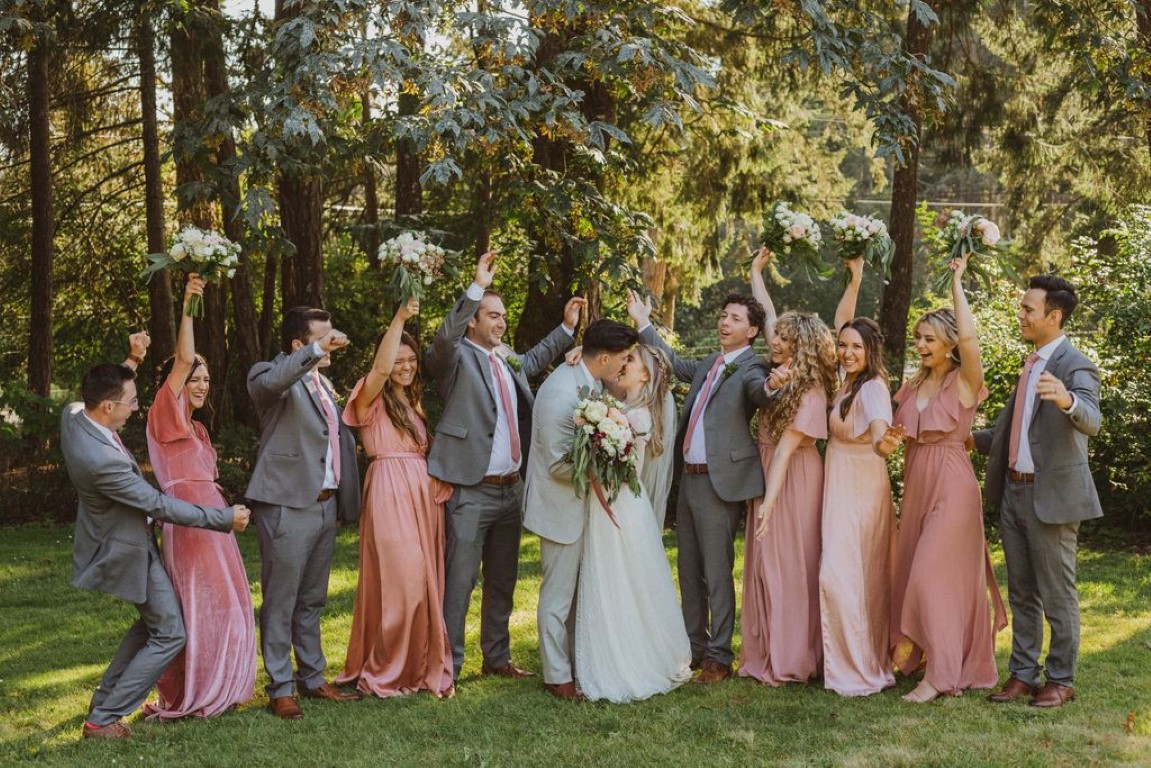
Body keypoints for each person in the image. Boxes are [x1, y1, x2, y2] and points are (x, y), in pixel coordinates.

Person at [61, 362, 249, 739]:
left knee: (152, 624)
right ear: (108, 407)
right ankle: (103, 719)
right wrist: (222, 517)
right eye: (131, 402)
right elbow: (159, 505)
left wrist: (130, 361)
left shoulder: (76, 416)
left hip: (130, 541)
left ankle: (103, 701)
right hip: (128, 549)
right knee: (169, 633)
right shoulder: (103, 464)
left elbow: (104, 389)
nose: (136, 408)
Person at [425, 251, 582, 682]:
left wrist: (566, 329)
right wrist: (475, 285)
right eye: (492, 315)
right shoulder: (454, 360)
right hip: (470, 489)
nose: (501, 322)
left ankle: (496, 657)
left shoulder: (505, 357)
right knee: (459, 583)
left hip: (511, 490)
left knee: (502, 581)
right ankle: (449, 665)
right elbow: (441, 344)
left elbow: (530, 362)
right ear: (472, 321)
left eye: (503, 316)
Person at [628, 289, 770, 683]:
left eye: (736, 318)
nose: (725, 322)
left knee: (717, 571)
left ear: (753, 330)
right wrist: (642, 322)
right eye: (724, 315)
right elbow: (671, 362)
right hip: (688, 480)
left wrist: (773, 390)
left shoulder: (753, 367)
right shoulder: (711, 361)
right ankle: (694, 646)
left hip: (719, 483)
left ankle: (720, 656)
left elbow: (760, 392)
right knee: (689, 569)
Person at [976, 274, 1102, 708]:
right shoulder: (1030, 363)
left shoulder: (1074, 365)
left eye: (1029, 309)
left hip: (1051, 498)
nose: (1022, 314)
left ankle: (1061, 679)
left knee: (1057, 594)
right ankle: (1023, 675)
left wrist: (1067, 400)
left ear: (1054, 315)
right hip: (1013, 493)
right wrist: (964, 437)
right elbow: (1011, 432)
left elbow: (1091, 417)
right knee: (1021, 590)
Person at [739, 248, 861, 685]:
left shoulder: (810, 391)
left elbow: (789, 450)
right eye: (776, 336)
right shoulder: (784, 370)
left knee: (789, 565)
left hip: (793, 480)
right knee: (764, 562)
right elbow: (768, 311)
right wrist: (757, 273)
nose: (774, 341)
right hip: (768, 471)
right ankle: (765, 648)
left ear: (801, 345)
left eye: (784, 338)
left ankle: (792, 657)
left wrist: (768, 505)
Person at [890, 253, 1007, 703]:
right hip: (917, 481)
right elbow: (894, 433)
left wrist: (957, 284)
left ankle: (939, 677)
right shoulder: (911, 385)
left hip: (954, 484)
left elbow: (973, 341)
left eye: (930, 339)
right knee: (933, 577)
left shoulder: (964, 379)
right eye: (918, 338)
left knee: (928, 574)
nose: (921, 345)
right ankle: (942, 661)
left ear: (949, 344)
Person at [143, 275, 256, 720]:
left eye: (207, 379)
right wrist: (189, 302)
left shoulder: (200, 430)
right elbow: (184, 355)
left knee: (227, 600)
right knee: (201, 602)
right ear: (177, 382)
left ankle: (224, 684)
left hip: (217, 522)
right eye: (195, 378)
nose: (202, 384)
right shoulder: (163, 415)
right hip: (187, 522)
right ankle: (198, 690)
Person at [246, 307, 363, 720]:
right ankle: (280, 688)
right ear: (299, 344)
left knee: (312, 599)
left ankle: (312, 678)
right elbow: (276, 382)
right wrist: (315, 351)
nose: (332, 343)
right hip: (286, 505)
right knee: (281, 599)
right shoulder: (270, 374)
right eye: (322, 337)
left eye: (332, 336)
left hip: (324, 505)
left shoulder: (323, 385)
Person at [337, 298, 455, 699]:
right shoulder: (370, 396)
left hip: (422, 498)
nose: (404, 367)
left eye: (411, 361)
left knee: (423, 581)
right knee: (401, 580)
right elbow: (382, 369)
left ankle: (416, 666)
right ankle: (385, 669)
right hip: (389, 490)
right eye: (398, 360)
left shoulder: (413, 401)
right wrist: (400, 316)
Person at [523, 319, 639, 701]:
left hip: (580, 508)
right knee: (557, 599)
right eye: (622, 359)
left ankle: (576, 664)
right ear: (604, 357)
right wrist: (606, 466)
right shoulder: (560, 393)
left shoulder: (584, 378)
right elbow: (558, 464)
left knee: (575, 596)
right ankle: (557, 677)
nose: (624, 366)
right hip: (559, 509)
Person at [575, 342, 692, 702]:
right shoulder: (620, 409)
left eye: (632, 360)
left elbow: (623, 471)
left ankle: (629, 659)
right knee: (618, 577)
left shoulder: (636, 417)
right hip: (614, 504)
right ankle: (613, 649)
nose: (624, 364)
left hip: (621, 503)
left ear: (646, 374)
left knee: (622, 580)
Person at [820, 317, 902, 696]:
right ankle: (843, 661)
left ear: (871, 350)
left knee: (845, 576)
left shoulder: (873, 388)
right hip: (838, 482)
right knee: (846, 575)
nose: (848, 353)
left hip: (862, 485)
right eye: (843, 345)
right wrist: (853, 280)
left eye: (856, 347)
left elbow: (879, 435)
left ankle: (861, 665)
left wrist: (885, 443)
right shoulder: (846, 384)